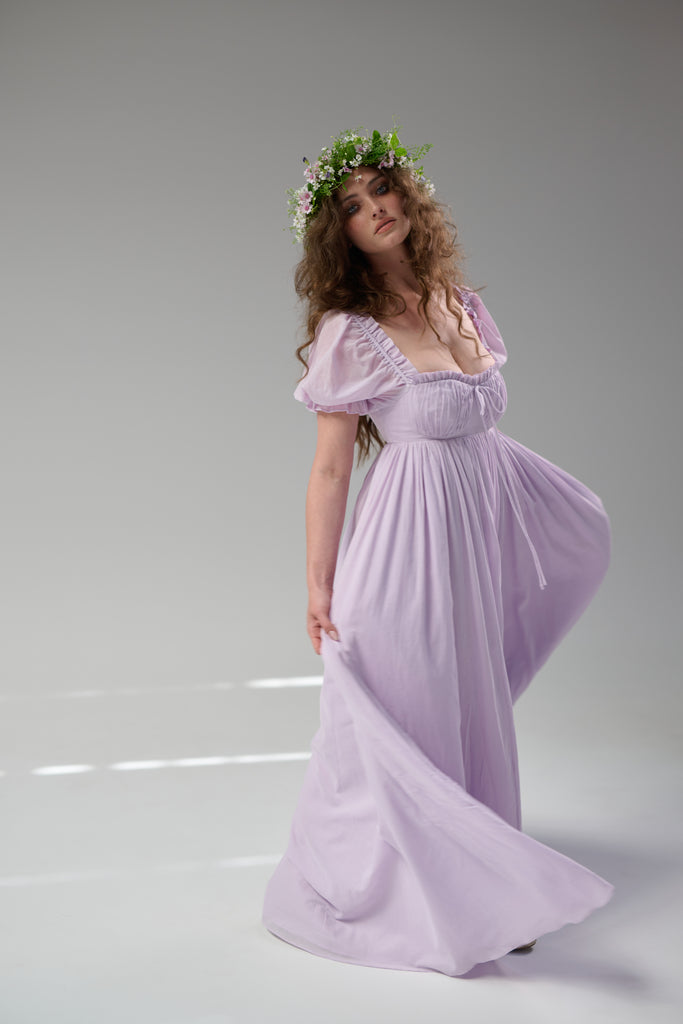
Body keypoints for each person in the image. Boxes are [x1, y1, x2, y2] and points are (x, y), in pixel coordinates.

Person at [262, 126, 613, 977]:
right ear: (339, 233)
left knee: (467, 699)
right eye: (352, 205)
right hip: (405, 543)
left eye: (381, 189)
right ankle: (396, 885)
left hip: (469, 537)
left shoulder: (458, 301)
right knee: (407, 697)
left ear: (408, 196)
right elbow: (329, 470)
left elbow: (474, 424)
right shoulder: (351, 331)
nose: (374, 209)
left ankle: (487, 885)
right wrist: (317, 585)